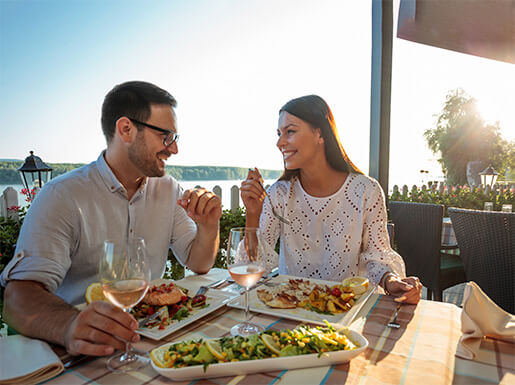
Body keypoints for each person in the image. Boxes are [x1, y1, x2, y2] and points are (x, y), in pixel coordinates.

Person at [1, 81, 222, 356]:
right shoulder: (62, 195)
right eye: (166, 136)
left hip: (155, 338)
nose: (174, 149)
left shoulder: (169, 190)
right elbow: (18, 298)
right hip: (81, 352)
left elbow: (198, 264)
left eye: (175, 138)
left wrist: (209, 225)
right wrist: (70, 325)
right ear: (126, 129)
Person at [240, 95, 422, 304]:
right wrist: (252, 214)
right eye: (279, 133)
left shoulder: (366, 191)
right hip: (289, 307)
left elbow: (376, 256)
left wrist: (392, 281)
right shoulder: (279, 193)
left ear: (320, 133)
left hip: (346, 310)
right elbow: (253, 265)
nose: (280, 142)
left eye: (290, 131)